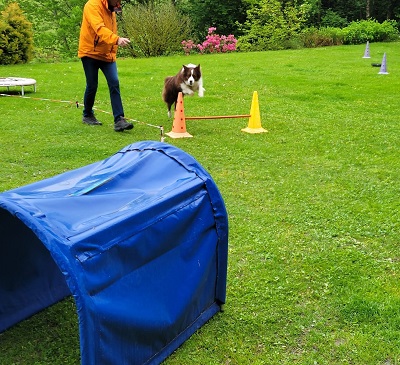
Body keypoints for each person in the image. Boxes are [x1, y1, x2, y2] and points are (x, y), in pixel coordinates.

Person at [78, 0, 133, 132]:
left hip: (107, 54)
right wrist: (116, 40)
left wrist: (112, 50)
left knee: (114, 82)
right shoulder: (92, 5)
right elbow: (99, 28)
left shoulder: (112, 6)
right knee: (92, 85)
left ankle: (119, 120)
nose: (118, 2)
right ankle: (87, 114)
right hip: (90, 52)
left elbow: (111, 28)